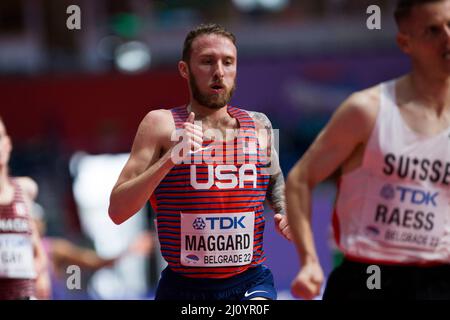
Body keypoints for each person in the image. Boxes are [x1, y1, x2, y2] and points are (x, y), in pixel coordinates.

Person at [109, 23, 291, 300]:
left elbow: (275, 182)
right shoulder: (160, 124)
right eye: (207, 61)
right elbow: (117, 210)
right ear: (185, 69)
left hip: (250, 282)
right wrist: (170, 160)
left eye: (228, 62)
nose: (219, 71)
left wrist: (285, 211)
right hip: (183, 287)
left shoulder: (258, 124)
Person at [286, 0, 450, 300]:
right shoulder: (367, 109)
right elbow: (299, 180)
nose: (448, 38)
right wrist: (309, 261)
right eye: (433, 30)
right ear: (406, 42)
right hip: (369, 279)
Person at [31, 202, 154, 299]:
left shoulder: (54, 249)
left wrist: (129, 250)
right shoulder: (52, 248)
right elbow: (94, 262)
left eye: (36, 221)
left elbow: (94, 261)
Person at [0, 116, 51, 299]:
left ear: (7, 144)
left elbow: (39, 253)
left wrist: (39, 274)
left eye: (0, 138)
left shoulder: (22, 191)